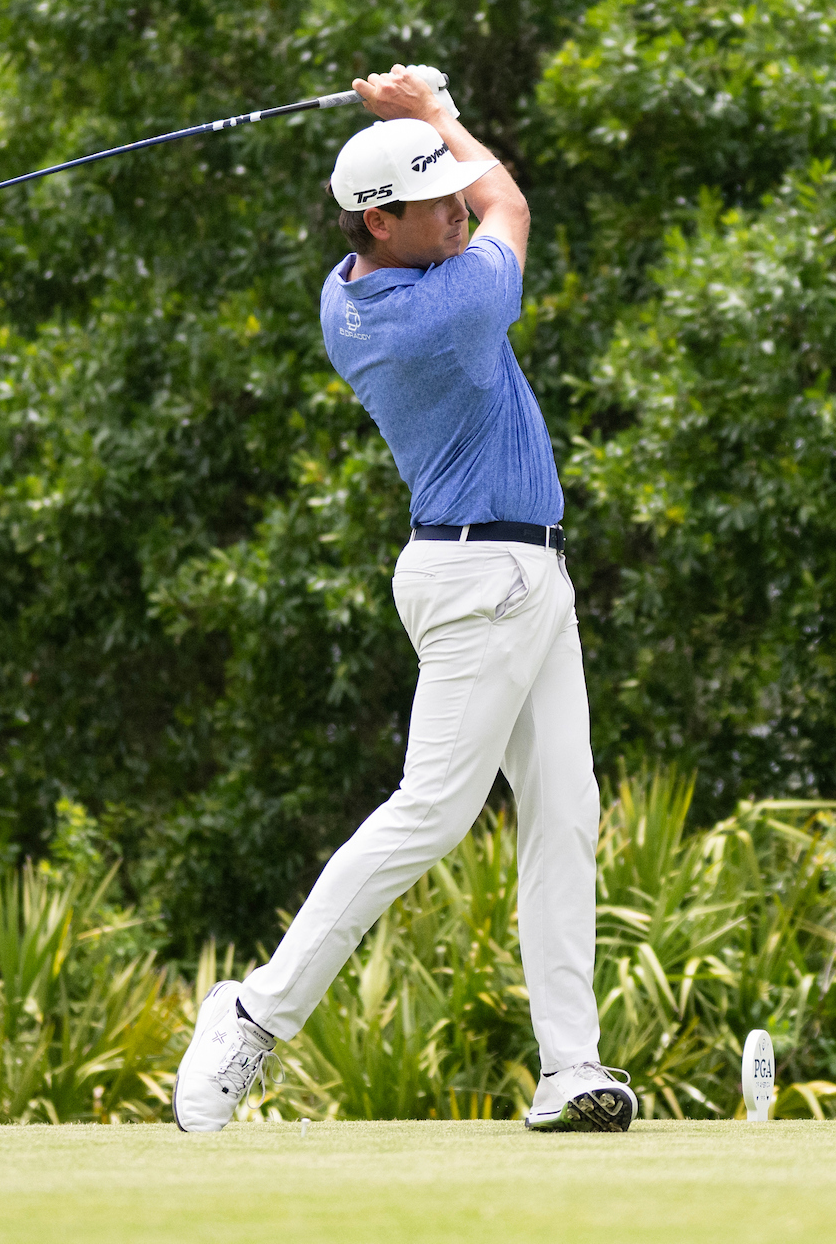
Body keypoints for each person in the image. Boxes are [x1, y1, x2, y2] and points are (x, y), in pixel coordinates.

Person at [172, 64, 635, 1134]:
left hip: (522, 571)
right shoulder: (445, 309)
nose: (455, 209)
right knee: (431, 812)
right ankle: (254, 1011)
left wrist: (417, 132)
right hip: (482, 577)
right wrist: (435, 113)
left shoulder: (350, 287)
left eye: (447, 192)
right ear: (379, 223)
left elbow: (470, 199)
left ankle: (570, 1066)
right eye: (432, 202)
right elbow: (509, 202)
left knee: (565, 812)